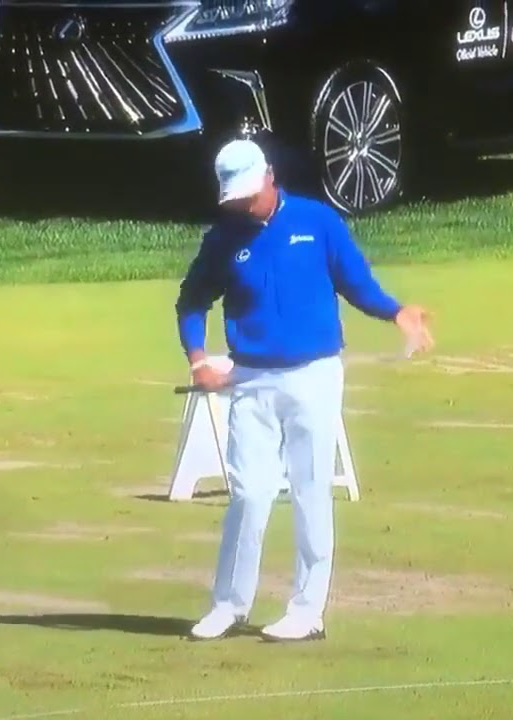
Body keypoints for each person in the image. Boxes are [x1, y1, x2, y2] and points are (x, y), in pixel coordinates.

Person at [175, 139, 434, 642]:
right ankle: (229, 605)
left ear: (269, 176)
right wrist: (199, 359)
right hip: (250, 378)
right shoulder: (223, 238)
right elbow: (191, 302)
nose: (243, 204)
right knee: (249, 493)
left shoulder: (317, 221)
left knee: (311, 488)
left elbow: (356, 283)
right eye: (235, 197)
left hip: (314, 375)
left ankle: (306, 611)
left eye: (249, 193)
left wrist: (395, 311)